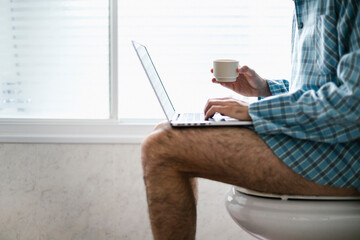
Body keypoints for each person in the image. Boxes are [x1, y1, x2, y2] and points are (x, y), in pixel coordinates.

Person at [141, 0, 360, 239]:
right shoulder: (304, 6)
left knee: (160, 147)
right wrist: (266, 89)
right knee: (163, 130)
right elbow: (321, 87)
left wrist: (256, 111)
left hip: (342, 155)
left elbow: (352, 103)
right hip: (318, 141)